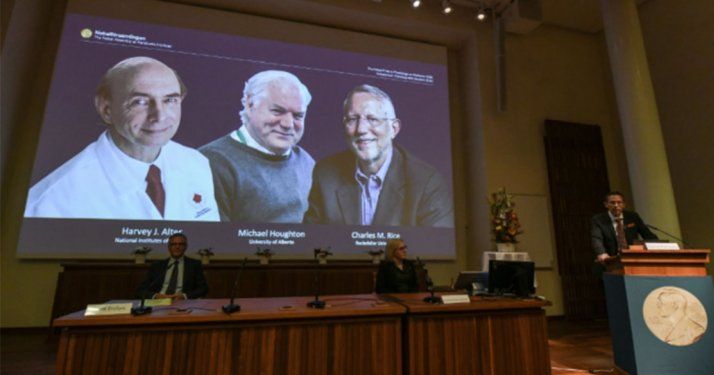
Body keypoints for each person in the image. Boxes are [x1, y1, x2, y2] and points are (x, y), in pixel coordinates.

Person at [24, 57, 219, 221]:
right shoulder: (51, 201)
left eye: (170, 100)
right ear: (106, 110)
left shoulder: (196, 163)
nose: (159, 116)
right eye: (140, 102)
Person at [304, 84, 453, 227]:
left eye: (372, 119)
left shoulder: (426, 182)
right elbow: (313, 241)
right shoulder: (325, 173)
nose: (361, 129)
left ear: (394, 129)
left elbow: (436, 247)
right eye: (352, 119)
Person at [199, 70, 315, 222]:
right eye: (277, 111)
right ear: (250, 104)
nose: (288, 124)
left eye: (298, 115)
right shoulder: (210, 162)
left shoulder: (307, 162)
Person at [590, 191, 656, 265]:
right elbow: (597, 239)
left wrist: (658, 246)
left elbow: (647, 235)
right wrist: (601, 253)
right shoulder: (598, 219)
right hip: (611, 260)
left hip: (633, 258)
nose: (616, 205)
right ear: (606, 204)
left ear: (624, 205)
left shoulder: (632, 217)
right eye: (612, 202)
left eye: (619, 202)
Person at [136, 233, 208, 300]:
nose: (177, 247)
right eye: (173, 244)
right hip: (159, 301)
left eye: (181, 244)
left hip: (183, 302)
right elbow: (141, 290)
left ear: (186, 247)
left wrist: (184, 296)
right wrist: (156, 296)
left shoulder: (194, 265)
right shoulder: (157, 266)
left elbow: (203, 289)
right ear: (169, 247)